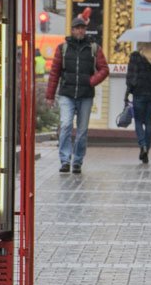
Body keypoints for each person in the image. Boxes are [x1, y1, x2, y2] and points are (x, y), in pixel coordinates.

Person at [46, 16, 109, 174]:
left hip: (86, 95)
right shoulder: (63, 48)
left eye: (83, 28)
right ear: (72, 30)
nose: (81, 30)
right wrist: (50, 95)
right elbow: (54, 73)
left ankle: (78, 161)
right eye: (77, 28)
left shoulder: (94, 48)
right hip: (66, 94)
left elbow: (104, 69)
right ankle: (65, 160)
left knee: (82, 131)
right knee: (66, 125)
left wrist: (91, 81)